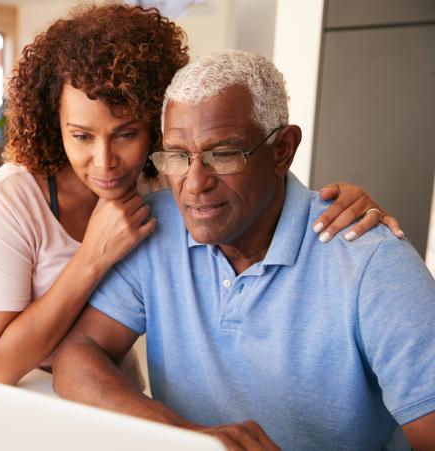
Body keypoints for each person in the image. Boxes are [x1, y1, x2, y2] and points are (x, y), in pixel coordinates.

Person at [0, 5, 402, 387]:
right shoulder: (8, 202)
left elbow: (252, 179)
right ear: (53, 124)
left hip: (101, 387)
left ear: (155, 123)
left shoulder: (163, 179)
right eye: (81, 136)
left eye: (127, 133)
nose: (105, 160)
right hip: (14, 395)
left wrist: (342, 199)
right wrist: (93, 255)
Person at [51, 50, 435, 451]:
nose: (195, 183)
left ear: (282, 150)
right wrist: (184, 435)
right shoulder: (154, 228)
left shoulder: (373, 263)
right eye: (179, 156)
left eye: (222, 154)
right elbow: (76, 356)